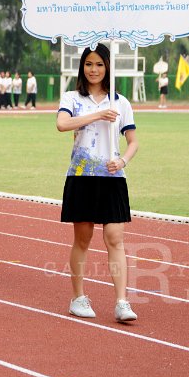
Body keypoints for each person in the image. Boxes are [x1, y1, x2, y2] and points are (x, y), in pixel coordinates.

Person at [57, 45, 138, 322]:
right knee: (83, 239)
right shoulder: (72, 97)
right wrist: (97, 115)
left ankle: (122, 302)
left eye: (100, 65)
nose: (94, 70)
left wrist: (123, 161)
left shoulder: (121, 102)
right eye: (89, 64)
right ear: (83, 67)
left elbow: (133, 142)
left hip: (112, 178)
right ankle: (78, 298)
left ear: (108, 67)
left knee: (115, 239)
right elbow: (62, 124)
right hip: (81, 177)